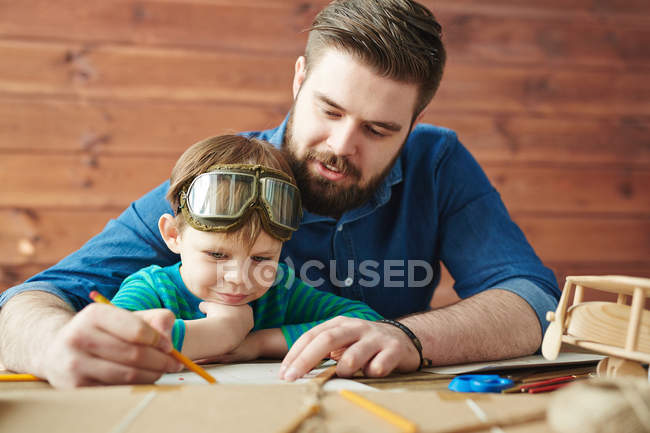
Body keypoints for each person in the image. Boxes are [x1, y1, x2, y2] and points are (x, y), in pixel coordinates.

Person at [0, 0, 560, 387]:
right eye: (329, 109)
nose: (341, 146)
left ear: (414, 122)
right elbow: (28, 302)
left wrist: (408, 337)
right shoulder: (224, 177)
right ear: (299, 80)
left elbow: (533, 300)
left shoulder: (438, 163)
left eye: (380, 130)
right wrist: (53, 347)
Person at [110, 134, 382, 361]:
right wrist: (223, 332)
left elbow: (365, 321)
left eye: (261, 258)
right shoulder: (153, 289)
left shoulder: (278, 290)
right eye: (217, 254)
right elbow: (115, 340)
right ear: (173, 235)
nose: (239, 278)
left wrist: (258, 343)